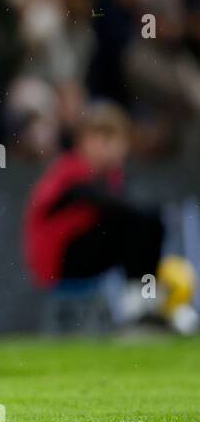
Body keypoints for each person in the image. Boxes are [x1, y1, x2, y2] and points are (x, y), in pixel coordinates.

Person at [23, 101, 198, 334]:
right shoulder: (70, 171)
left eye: (114, 140)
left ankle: (147, 305)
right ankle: (140, 310)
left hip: (85, 253)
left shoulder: (112, 177)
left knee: (146, 223)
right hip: (59, 263)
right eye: (101, 139)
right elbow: (93, 200)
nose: (108, 148)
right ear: (83, 142)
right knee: (138, 222)